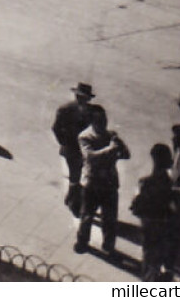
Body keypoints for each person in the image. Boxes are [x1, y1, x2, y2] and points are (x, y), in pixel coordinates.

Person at [76, 107, 129, 257]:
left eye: (105, 120)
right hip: (92, 183)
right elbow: (91, 157)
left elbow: (126, 155)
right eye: (100, 121)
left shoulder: (111, 135)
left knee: (110, 218)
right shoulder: (85, 137)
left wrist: (121, 147)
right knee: (87, 215)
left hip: (110, 183)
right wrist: (111, 149)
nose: (104, 124)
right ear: (93, 121)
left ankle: (108, 246)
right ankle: (82, 242)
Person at [131, 142, 178, 281]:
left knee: (149, 258)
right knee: (159, 257)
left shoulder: (144, 182)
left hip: (148, 225)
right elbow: (174, 207)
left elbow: (135, 206)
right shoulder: (170, 184)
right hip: (163, 225)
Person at [54, 82, 101, 218]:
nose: (82, 100)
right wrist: (65, 143)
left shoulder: (93, 112)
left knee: (82, 176)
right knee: (75, 176)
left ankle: (71, 198)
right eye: (80, 97)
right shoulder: (65, 109)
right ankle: (74, 204)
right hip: (72, 150)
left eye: (85, 98)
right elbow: (56, 128)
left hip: (85, 150)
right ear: (76, 96)